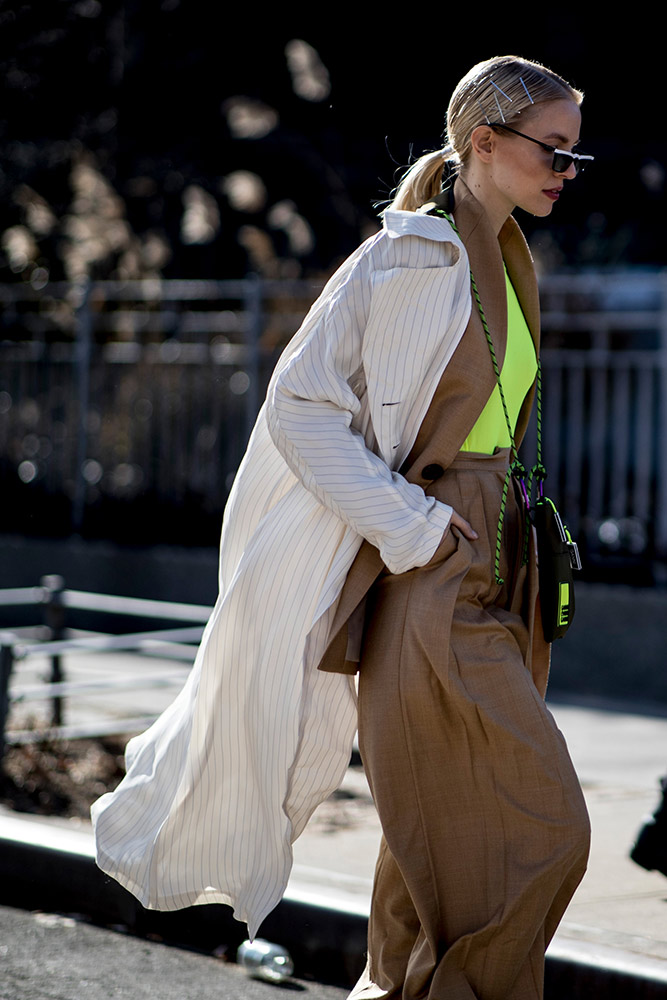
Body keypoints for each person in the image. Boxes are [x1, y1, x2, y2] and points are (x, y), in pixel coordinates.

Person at [92, 55, 591, 1000]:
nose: (567, 173)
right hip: (433, 577)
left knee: (429, 851)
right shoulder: (407, 258)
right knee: (544, 829)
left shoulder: (507, 261)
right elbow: (300, 406)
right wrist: (414, 529)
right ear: (484, 144)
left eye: (575, 158)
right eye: (555, 152)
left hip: (499, 575)